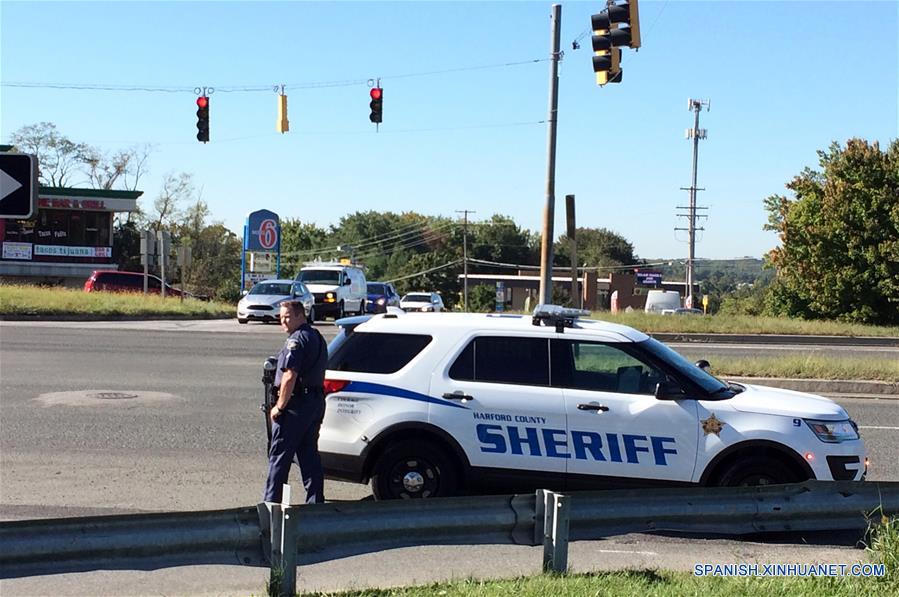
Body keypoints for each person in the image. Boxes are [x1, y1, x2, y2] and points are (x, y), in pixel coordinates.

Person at [263, 300, 328, 504]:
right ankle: (316, 505)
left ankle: (271, 505)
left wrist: (280, 407)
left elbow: (290, 376)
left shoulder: (296, 340)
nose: (283, 321)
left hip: (296, 406)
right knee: (309, 455)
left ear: (301, 315)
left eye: (287, 317)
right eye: (281, 317)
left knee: (279, 457)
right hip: (315, 402)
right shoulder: (316, 336)